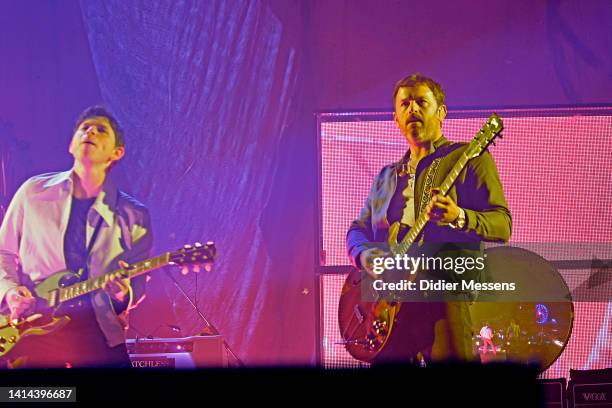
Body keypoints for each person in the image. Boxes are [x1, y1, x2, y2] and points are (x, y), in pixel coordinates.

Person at [346, 74, 511, 363]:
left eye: (422, 102)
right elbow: (357, 230)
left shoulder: (469, 158)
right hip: (390, 308)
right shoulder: (386, 177)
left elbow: (502, 224)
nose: (413, 109)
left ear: (441, 112)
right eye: (405, 104)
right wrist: (368, 257)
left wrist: (458, 216)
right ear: (396, 118)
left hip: (443, 299)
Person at [0, 106, 152, 368]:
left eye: (101, 130)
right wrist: (11, 292)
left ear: (117, 153)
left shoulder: (133, 214)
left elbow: (137, 286)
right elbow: (3, 252)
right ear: (71, 145)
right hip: (33, 328)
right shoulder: (32, 192)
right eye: (84, 128)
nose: (90, 131)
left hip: (98, 332)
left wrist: (121, 295)